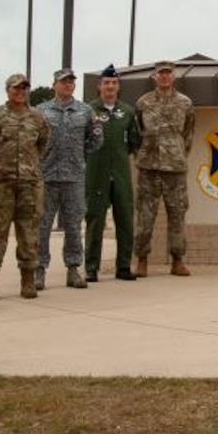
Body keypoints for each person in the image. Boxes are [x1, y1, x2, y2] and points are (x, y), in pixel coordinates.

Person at [35, 68, 101, 291]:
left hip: (74, 177)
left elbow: (95, 140)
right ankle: (38, 270)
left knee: (73, 226)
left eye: (71, 82)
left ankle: (73, 270)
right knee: (41, 226)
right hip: (46, 177)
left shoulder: (85, 111)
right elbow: (32, 141)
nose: (68, 85)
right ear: (54, 85)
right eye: (63, 82)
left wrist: (78, 155)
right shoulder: (41, 111)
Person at [0, 72, 50, 301]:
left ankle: (27, 279)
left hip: (29, 184)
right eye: (16, 88)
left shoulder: (37, 117)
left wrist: (29, 165)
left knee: (29, 234)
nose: (20, 92)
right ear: (8, 90)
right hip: (1, 183)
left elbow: (43, 144)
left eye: (24, 88)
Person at [135, 60, 197, 277]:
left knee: (177, 215)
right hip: (148, 169)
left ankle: (177, 260)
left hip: (175, 170)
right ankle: (142, 260)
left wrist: (178, 154)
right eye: (160, 73)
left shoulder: (185, 103)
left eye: (167, 73)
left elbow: (188, 134)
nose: (164, 77)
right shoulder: (143, 103)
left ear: (173, 76)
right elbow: (138, 132)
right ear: (154, 77)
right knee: (145, 216)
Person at [85, 65, 140, 282]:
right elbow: (82, 141)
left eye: (114, 83)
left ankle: (124, 266)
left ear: (119, 87)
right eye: (106, 83)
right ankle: (91, 267)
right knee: (95, 219)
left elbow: (134, 141)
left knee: (125, 219)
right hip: (95, 172)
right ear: (99, 86)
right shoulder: (88, 110)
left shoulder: (127, 111)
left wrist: (118, 158)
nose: (110, 87)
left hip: (120, 173)